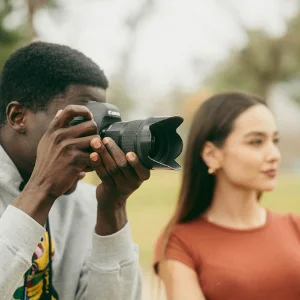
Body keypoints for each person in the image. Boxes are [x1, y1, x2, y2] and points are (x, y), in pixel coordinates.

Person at [0, 41, 150, 300]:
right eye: (79, 122)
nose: (94, 139)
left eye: (100, 125)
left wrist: (112, 210)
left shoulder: (86, 204)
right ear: (18, 117)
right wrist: (41, 189)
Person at [153, 92, 300, 300]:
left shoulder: (295, 227)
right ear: (212, 155)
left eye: (274, 140)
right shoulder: (180, 243)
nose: (274, 154)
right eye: (256, 142)